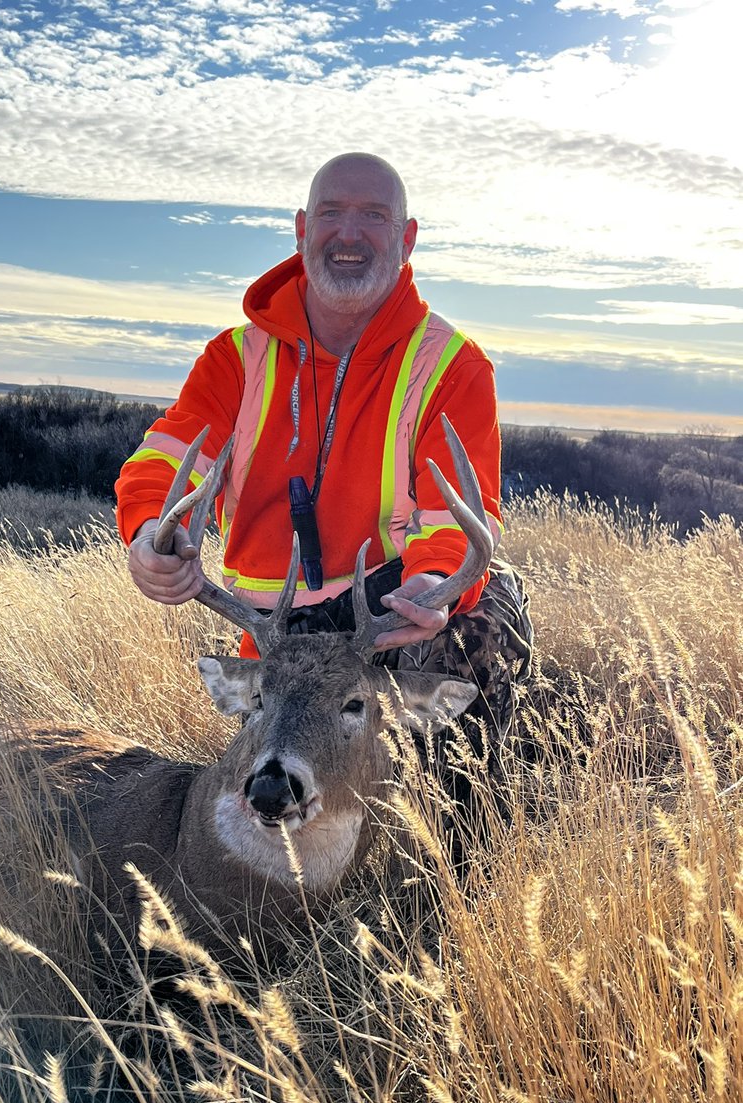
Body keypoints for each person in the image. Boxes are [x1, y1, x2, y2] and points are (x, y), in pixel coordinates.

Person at [116, 153, 532, 856]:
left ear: (407, 239)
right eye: (334, 213)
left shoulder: (451, 365)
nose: (351, 233)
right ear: (304, 228)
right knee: (261, 834)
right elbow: (168, 457)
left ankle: (451, 863)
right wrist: (155, 532)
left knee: (480, 621)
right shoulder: (236, 358)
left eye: (375, 216)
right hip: (275, 633)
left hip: (384, 619)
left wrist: (437, 584)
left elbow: (458, 512)